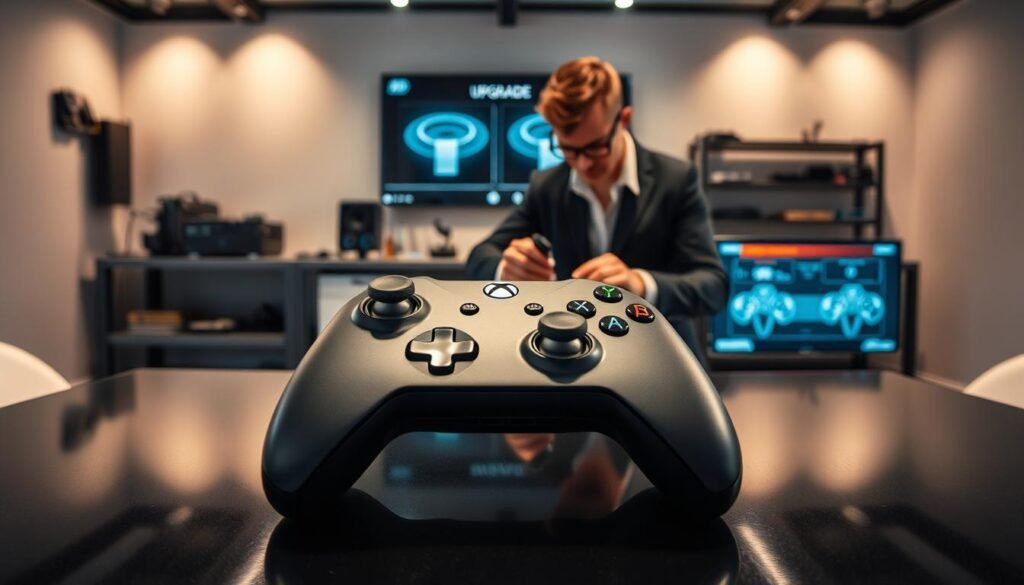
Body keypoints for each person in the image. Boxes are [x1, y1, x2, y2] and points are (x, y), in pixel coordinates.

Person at [466, 56, 727, 359]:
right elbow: (478, 258)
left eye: (595, 147)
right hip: (573, 363)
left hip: (661, 359)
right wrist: (508, 268)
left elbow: (713, 287)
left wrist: (640, 284)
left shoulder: (677, 180)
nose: (583, 163)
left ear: (624, 119)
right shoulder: (547, 186)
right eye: (568, 149)